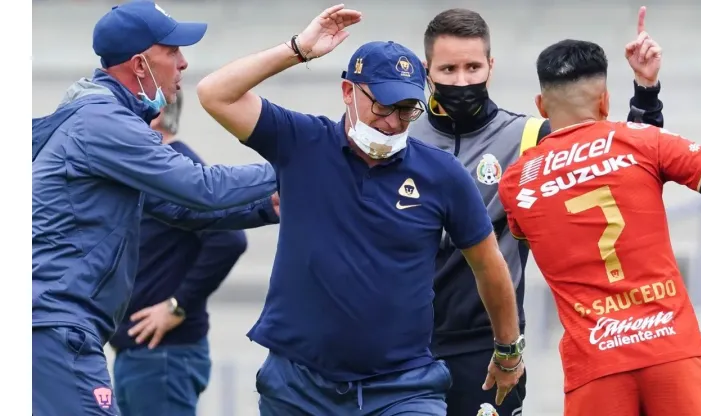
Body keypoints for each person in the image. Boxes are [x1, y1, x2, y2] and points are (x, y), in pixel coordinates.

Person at [197, 4, 525, 415]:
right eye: (383, 106)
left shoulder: (442, 174)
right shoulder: (301, 142)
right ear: (348, 92)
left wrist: (508, 347)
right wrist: (297, 49)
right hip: (298, 386)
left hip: (404, 387)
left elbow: (488, 264)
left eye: (407, 109)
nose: (393, 122)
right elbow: (215, 93)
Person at [410, 7, 667, 416]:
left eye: (473, 67)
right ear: (427, 70)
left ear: (491, 67)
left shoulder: (529, 136)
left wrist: (645, 91)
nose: (462, 81)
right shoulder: (402, 136)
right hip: (401, 349)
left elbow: (615, 160)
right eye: (449, 69)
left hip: (490, 347)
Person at [31, 2, 277, 415]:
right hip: (55, 328)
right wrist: (298, 160)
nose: (183, 63)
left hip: (53, 327)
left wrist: (268, 206)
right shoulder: (103, 122)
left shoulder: (101, 118)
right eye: (173, 51)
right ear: (140, 64)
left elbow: (182, 210)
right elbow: (202, 188)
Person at [498, 38, 701, 416]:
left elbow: (525, 232)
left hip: (594, 364)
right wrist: (646, 92)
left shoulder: (518, 182)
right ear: (606, 100)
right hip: (671, 349)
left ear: (541, 107)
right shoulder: (643, 141)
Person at [109, 91, 280, 416]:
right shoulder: (153, 171)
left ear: (154, 113)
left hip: (162, 356)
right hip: (144, 355)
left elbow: (228, 240)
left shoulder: (177, 169)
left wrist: (178, 305)